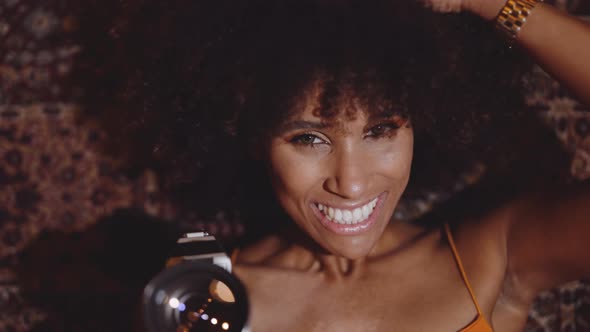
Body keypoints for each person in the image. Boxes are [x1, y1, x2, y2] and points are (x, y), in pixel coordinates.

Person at [78, 0, 590, 330]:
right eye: (309, 138)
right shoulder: (203, 304)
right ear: (254, 138)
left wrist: (496, 4)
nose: (352, 181)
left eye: (381, 130)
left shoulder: (492, 258)